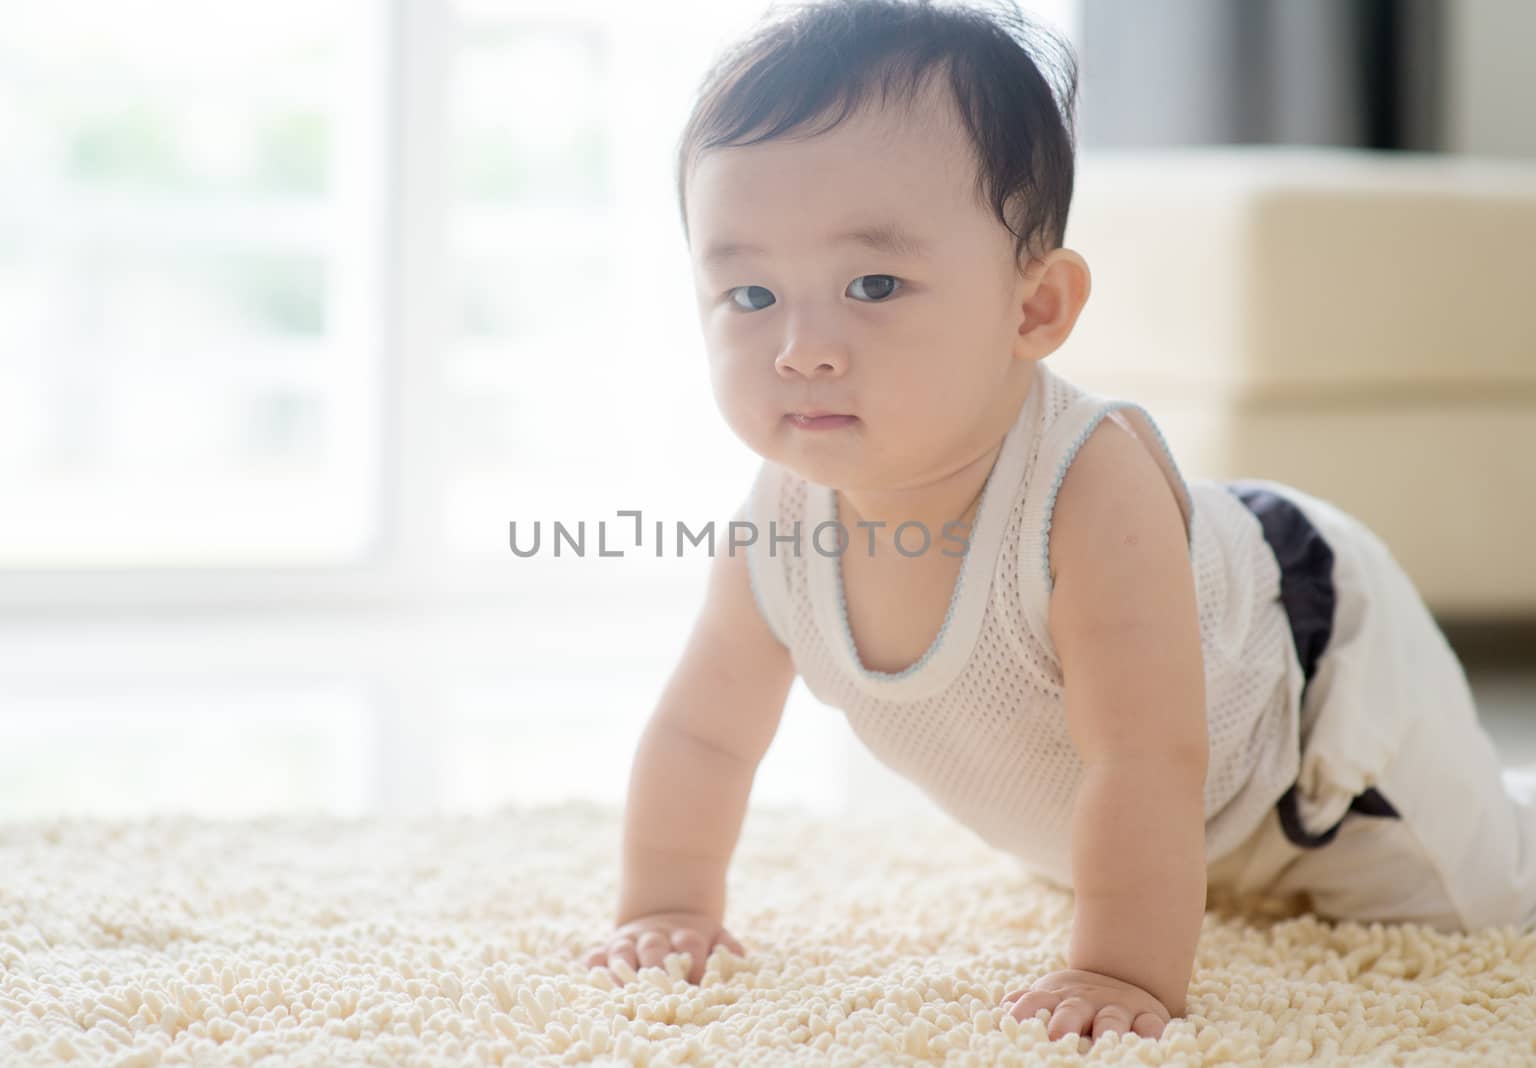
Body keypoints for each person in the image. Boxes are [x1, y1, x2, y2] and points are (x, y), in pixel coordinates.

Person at [582, 0, 1536, 1044]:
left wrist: (1120, 970)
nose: (800, 346)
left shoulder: (1086, 489)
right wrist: (666, 904)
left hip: (1314, 688)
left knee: (1478, 895)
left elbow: (1149, 758)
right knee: (1107, 844)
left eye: (872, 284)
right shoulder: (778, 529)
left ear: (1033, 309)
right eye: (750, 294)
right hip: (1127, 788)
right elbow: (702, 735)